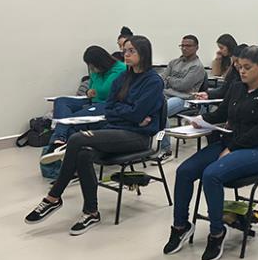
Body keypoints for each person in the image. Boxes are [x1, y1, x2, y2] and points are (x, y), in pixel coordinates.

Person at [24, 36, 165, 235]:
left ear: (144, 53)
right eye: (125, 51)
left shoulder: (153, 81)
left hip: (139, 137)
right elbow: (109, 108)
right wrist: (129, 112)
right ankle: (91, 212)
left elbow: (136, 114)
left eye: (131, 51)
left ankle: (53, 197)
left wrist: (128, 113)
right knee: (83, 154)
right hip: (116, 130)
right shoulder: (122, 78)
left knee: (77, 139)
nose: (126, 55)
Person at [163, 45, 258, 260]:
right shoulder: (237, 87)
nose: (242, 71)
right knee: (184, 171)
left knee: (212, 175)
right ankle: (180, 226)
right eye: (239, 67)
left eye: (247, 67)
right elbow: (222, 113)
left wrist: (232, 148)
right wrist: (201, 122)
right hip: (230, 143)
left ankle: (217, 232)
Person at [42, 46, 126, 162]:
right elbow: (91, 87)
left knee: (71, 119)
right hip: (92, 101)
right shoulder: (95, 71)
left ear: (102, 62)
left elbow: (104, 91)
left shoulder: (120, 69)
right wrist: (88, 91)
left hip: (107, 104)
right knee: (61, 101)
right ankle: (60, 140)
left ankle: (58, 141)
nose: (91, 69)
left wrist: (96, 83)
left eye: (93, 66)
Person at [158, 35, 207, 160]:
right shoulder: (174, 62)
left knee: (161, 112)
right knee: (148, 106)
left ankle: (166, 150)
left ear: (196, 48)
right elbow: (161, 79)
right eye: (182, 45)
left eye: (188, 46)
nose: (184, 48)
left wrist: (169, 80)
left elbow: (183, 85)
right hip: (166, 94)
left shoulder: (197, 66)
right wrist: (170, 81)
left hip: (184, 100)